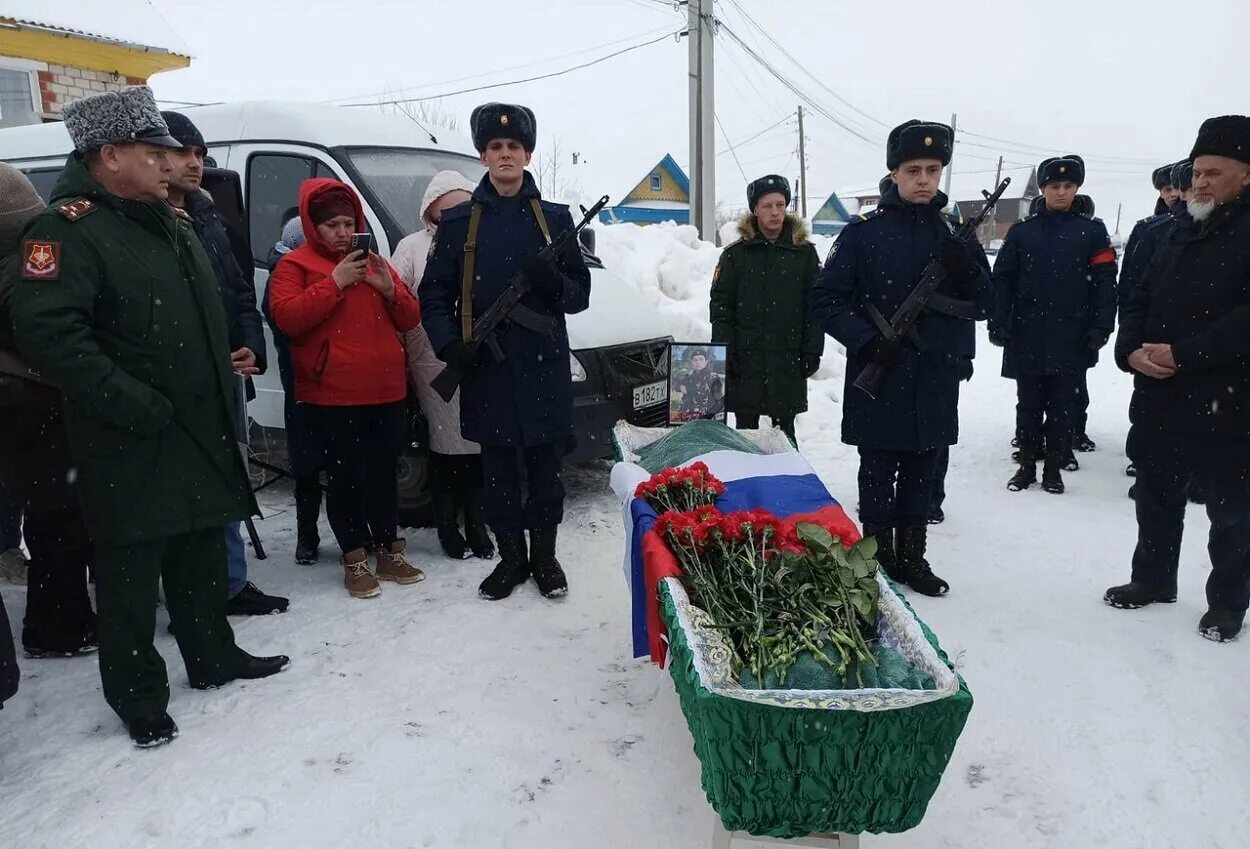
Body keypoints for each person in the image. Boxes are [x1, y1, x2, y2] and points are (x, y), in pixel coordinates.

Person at [8, 87, 288, 747]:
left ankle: (213, 654)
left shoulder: (167, 218)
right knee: (130, 571)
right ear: (108, 154)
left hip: (192, 422)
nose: (170, 164)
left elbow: (191, 309)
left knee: (196, 546)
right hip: (126, 435)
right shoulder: (63, 229)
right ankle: (137, 693)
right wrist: (129, 399)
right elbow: (50, 333)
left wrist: (226, 359)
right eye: (153, 151)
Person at [810, 119, 992, 597]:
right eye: (913, 169)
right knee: (877, 470)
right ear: (894, 173)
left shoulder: (955, 234)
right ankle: (876, 557)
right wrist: (867, 341)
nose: (924, 179)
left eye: (933, 169)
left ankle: (914, 557)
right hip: (883, 371)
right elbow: (826, 299)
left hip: (934, 373)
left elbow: (989, 302)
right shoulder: (863, 234)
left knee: (923, 467)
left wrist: (967, 267)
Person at [420, 102, 592, 601]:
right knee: (497, 474)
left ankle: (545, 557)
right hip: (488, 370)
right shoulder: (458, 224)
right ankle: (511, 559)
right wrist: (451, 344)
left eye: (513, 146)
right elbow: (433, 295)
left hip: (543, 371)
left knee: (545, 473)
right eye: (495, 147)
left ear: (528, 153)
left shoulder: (555, 220)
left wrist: (553, 282)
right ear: (482, 155)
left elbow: (579, 296)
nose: (505, 155)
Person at [1105, 115, 1250, 643]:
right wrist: (1128, 351)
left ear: (1246, 176)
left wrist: (1185, 354)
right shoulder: (1175, 230)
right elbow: (1138, 295)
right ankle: (1152, 578)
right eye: (1196, 172)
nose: (1200, 182)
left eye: (1213, 172)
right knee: (1156, 494)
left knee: (1231, 513)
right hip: (1161, 394)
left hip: (1229, 400)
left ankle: (1228, 604)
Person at [268, 178, 425, 599]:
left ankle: (389, 550)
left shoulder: (374, 262)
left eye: (347, 222)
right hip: (332, 395)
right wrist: (334, 281)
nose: (341, 232)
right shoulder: (295, 266)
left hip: (386, 390)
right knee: (345, 479)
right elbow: (287, 319)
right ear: (312, 226)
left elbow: (410, 317)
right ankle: (354, 557)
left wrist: (390, 289)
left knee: (382, 477)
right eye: (332, 224)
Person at [160, 110, 288, 617]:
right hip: (175, 386)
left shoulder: (208, 217)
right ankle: (185, 594)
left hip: (226, 381)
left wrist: (251, 347)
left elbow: (238, 292)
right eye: (184, 153)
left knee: (230, 476)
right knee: (179, 492)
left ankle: (230, 585)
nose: (196, 163)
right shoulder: (143, 220)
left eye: (200, 154)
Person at [0, 163, 99, 659]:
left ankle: (61, 619)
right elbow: (42, 334)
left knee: (51, 521)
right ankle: (57, 627)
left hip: (24, 415)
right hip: (37, 409)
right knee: (60, 524)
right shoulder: (21, 267)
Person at [990, 156, 1117, 495]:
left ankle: (1054, 469)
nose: (1061, 192)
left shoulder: (1091, 233)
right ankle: (1027, 465)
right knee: (1028, 405)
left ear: (1076, 189)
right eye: (1054, 186)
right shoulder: (1021, 233)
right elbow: (1002, 279)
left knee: (1062, 408)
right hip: (1027, 333)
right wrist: (999, 320)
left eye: (1068, 186)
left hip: (1072, 335)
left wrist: (1101, 326)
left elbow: (1105, 283)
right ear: (1043, 189)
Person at [392, 170, 494, 561]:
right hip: (430, 357)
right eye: (447, 207)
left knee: (478, 442)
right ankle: (448, 525)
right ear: (430, 209)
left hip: (479, 356)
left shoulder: (482, 243)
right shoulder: (412, 246)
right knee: (443, 444)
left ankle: (477, 522)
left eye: (465, 206)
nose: (456, 214)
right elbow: (397, 299)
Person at [710, 174, 822, 445]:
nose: (775, 212)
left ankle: (788, 483)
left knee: (785, 436)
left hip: (788, 359)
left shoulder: (803, 254)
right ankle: (747, 484)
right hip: (746, 360)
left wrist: (812, 349)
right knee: (745, 434)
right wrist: (725, 351)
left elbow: (816, 307)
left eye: (781, 205)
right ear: (755, 210)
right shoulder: (735, 255)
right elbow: (721, 307)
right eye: (767, 206)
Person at [264, 215, 327, 565]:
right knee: (306, 465)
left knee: (325, 461)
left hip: (321, 380)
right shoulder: (282, 276)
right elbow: (288, 323)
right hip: (301, 381)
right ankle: (307, 535)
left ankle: (316, 536)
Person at [676, 347, 725, 420]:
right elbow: (676, 385)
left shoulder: (714, 378)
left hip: (706, 418)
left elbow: (719, 402)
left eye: (701, 359)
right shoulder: (689, 377)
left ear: (706, 362)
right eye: (695, 360)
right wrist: (680, 386)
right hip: (688, 417)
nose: (698, 362)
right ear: (692, 362)